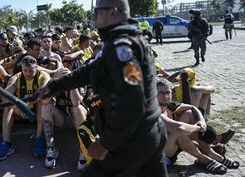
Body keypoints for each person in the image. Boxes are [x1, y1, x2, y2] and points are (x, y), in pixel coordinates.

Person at [37, 0, 167, 176]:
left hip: (132, 139)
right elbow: (92, 70)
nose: (93, 18)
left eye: (97, 12)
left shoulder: (122, 48)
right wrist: (53, 86)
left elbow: (133, 99)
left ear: (113, 12)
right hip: (149, 132)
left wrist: (106, 142)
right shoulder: (124, 40)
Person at [156, 78, 239, 174]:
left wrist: (201, 120)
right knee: (178, 131)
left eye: (168, 92)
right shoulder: (153, 111)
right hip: (158, 158)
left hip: (170, 147)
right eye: (161, 93)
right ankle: (204, 159)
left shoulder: (170, 105)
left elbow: (192, 107)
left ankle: (209, 151)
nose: (165, 96)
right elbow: (179, 128)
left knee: (189, 113)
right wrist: (198, 127)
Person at [0, 55, 50, 161]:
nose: (28, 73)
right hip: (20, 112)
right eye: (25, 70)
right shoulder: (16, 77)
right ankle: (6, 143)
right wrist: (16, 106)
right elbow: (6, 96)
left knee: (43, 103)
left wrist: (21, 105)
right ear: (21, 68)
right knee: (7, 107)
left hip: (36, 111)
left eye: (31, 70)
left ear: (36, 67)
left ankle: (38, 138)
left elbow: (41, 95)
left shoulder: (43, 76)